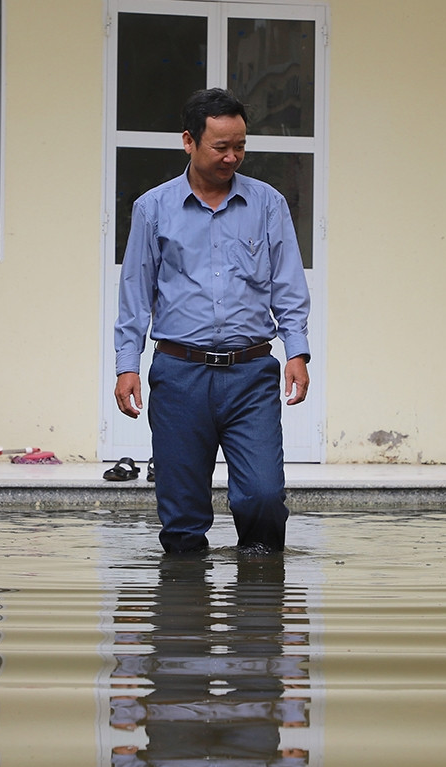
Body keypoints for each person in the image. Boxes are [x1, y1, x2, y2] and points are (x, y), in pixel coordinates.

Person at [114, 87, 311, 555]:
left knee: (263, 497)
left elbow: (287, 283)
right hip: (179, 376)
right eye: (220, 147)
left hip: (251, 374)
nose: (232, 157)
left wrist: (297, 351)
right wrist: (127, 365)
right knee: (182, 518)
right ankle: (183, 619)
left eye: (240, 146)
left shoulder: (268, 204)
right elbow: (135, 294)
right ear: (189, 141)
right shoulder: (153, 209)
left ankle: (259, 614)